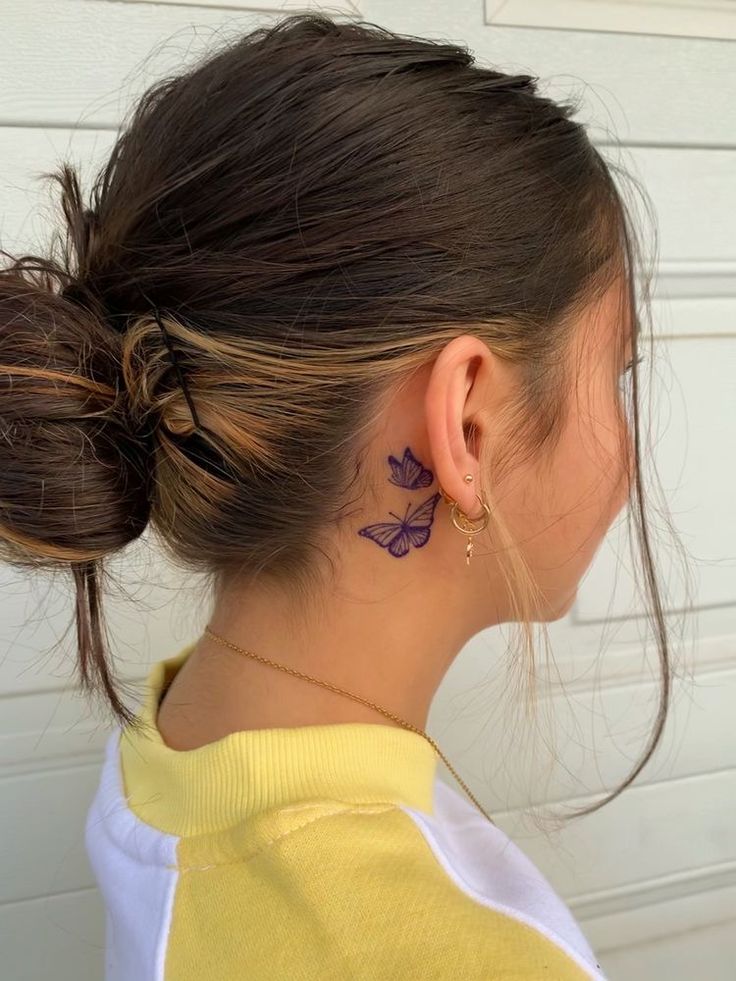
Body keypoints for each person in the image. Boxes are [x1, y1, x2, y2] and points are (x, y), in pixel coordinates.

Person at [0, 13, 673, 980]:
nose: (630, 442)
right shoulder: (459, 960)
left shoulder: (181, 738)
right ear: (468, 424)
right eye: (618, 367)